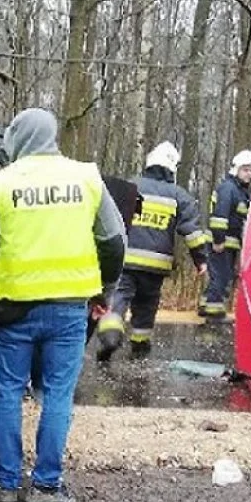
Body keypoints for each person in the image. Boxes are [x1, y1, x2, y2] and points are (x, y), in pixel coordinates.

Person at [0, 108, 126, 502]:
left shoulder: (0, 184)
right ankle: (46, 487)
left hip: (14, 308)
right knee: (57, 394)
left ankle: (4, 482)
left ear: (17, 140)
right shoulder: (86, 178)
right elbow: (113, 241)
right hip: (70, 307)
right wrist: (102, 291)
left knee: (8, 393)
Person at [95, 142, 208, 361]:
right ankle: (140, 344)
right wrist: (200, 260)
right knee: (146, 304)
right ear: (172, 168)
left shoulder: (129, 186)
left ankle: (110, 334)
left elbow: (107, 222)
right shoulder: (179, 195)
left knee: (118, 298)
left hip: (125, 261)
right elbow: (192, 232)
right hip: (156, 266)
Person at [198, 150, 251, 322]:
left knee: (220, 275)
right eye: (246, 169)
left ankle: (205, 305)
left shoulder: (240, 191)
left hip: (230, 243)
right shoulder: (229, 189)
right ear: (236, 169)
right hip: (221, 242)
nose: (249, 174)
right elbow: (219, 217)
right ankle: (214, 312)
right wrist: (219, 240)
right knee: (222, 276)